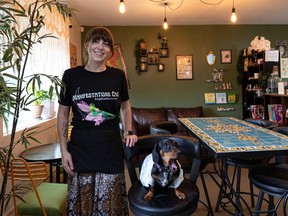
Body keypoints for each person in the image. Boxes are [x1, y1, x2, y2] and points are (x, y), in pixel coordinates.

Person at [57, 26, 138, 216]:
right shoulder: (70, 76)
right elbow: (62, 114)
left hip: (110, 149)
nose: (100, 47)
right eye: (96, 41)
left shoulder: (117, 76)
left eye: (106, 43)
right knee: (82, 206)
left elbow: (125, 106)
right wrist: (63, 150)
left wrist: (128, 131)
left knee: (110, 207)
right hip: (80, 150)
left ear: (110, 50)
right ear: (87, 45)